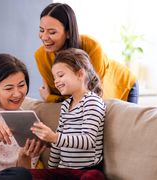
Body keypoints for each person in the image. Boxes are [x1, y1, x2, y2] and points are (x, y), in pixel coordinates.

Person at [35, 2, 138, 103]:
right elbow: (60, 92)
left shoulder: (92, 47)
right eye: (41, 30)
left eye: (52, 32)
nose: (44, 37)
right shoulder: (41, 56)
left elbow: (91, 93)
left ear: (68, 33)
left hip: (123, 85)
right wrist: (53, 97)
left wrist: (49, 98)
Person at [30, 48, 106, 179]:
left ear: (80, 74)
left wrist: (54, 137)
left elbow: (88, 140)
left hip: (86, 170)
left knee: (93, 177)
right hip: (65, 171)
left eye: (60, 75)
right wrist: (50, 171)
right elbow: (57, 147)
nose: (56, 81)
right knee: (28, 174)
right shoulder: (66, 105)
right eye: (54, 78)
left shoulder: (92, 101)